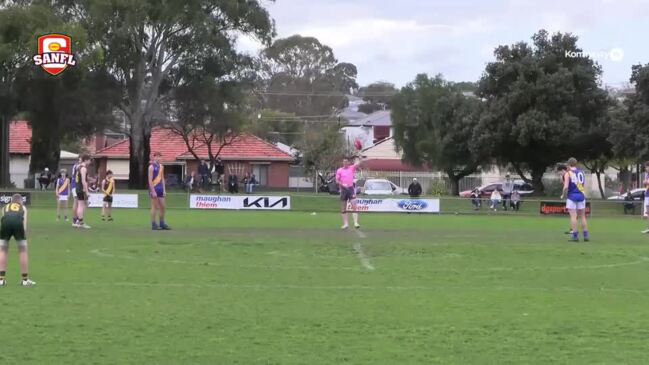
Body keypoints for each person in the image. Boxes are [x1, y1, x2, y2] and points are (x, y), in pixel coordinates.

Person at [0, 194, 36, 286]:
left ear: (11, 201)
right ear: (20, 201)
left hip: (5, 225)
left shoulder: (4, 207)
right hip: (18, 224)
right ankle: (25, 280)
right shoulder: (23, 207)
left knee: (3, 250)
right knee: (23, 250)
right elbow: (24, 226)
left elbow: (3, 220)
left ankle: (1, 279)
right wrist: (21, 237)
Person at [560, 157, 589, 242]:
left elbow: (566, 187)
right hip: (581, 195)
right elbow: (583, 185)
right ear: (576, 164)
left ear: (568, 164)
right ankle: (585, 236)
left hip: (572, 196)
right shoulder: (582, 172)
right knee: (583, 216)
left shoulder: (568, 173)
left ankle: (575, 236)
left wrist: (563, 194)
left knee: (573, 216)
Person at [336, 156, 363, 229]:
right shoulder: (339, 170)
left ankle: (356, 223)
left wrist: (360, 158)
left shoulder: (351, 168)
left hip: (351, 189)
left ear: (348, 162)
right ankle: (346, 224)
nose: (345, 163)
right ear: (342, 162)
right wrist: (342, 184)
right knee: (343, 207)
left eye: (346, 162)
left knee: (354, 205)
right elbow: (337, 181)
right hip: (343, 190)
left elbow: (357, 164)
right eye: (344, 162)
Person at [148, 152, 170, 230]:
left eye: (159, 157)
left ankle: (162, 223)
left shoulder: (161, 167)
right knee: (154, 207)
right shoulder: (151, 167)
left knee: (163, 207)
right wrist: (153, 191)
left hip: (160, 189)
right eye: (157, 156)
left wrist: (164, 189)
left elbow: (162, 178)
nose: (158, 158)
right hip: (154, 188)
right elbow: (150, 180)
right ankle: (154, 224)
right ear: (154, 157)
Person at [74, 155, 92, 229]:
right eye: (89, 160)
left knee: (81, 204)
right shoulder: (83, 168)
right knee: (82, 205)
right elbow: (83, 181)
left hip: (78, 188)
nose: (90, 162)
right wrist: (86, 191)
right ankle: (80, 222)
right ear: (86, 160)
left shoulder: (78, 167)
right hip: (81, 189)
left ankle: (78, 221)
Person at [70, 157, 82, 226]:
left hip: (77, 185)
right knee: (76, 201)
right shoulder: (77, 166)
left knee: (79, 202)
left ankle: (77, 219)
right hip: (75, 185)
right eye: (81, 159)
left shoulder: (78, 166)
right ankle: (74, 220)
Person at [642, 162, 649, 234]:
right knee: (647, 212)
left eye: (646, 167)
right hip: (647, 195)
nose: (646, 168)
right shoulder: (647, 175)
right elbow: (645, 185)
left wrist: (646, 182)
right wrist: (645, 183)